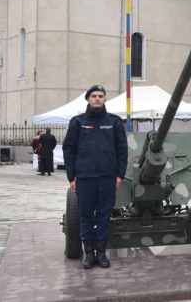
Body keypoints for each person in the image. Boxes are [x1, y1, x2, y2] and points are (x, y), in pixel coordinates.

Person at [62, 85, 128, 270]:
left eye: (100, 96)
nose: (97, 98)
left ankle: (101, 254)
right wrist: (71, 177)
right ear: (88, 99)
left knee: (104, 216)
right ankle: (89, 254)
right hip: (85, 178)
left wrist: (120, 175)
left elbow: (122, 151)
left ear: (105, 99)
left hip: (107, 177)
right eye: (93, 96)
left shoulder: (114, 122)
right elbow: (69, 150)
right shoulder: (78, 122)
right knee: (85, 216)